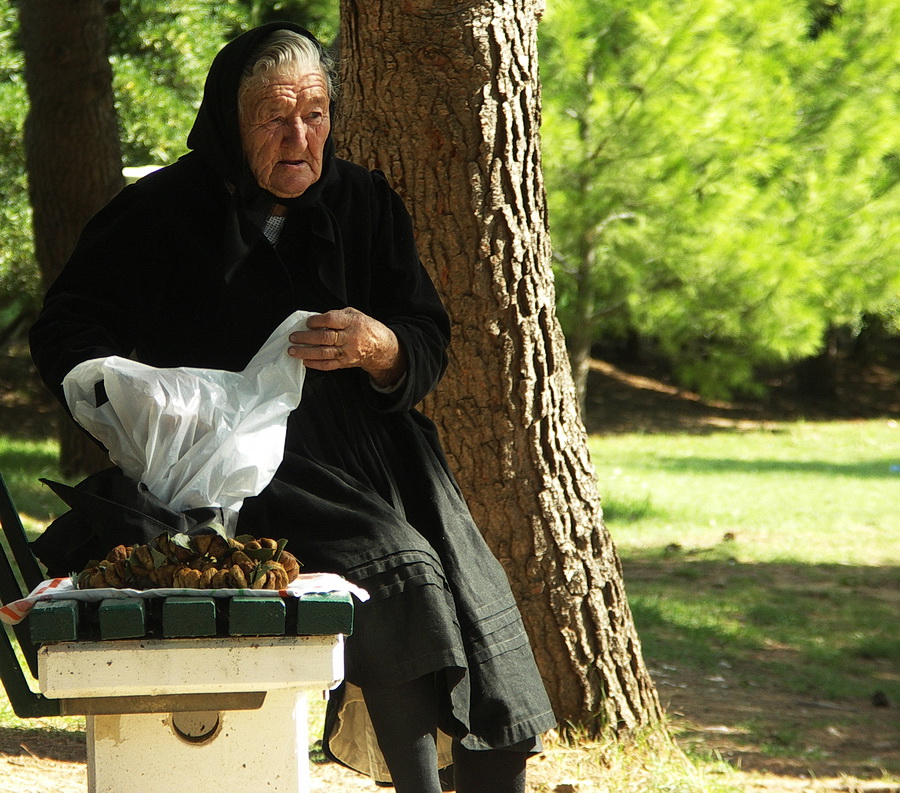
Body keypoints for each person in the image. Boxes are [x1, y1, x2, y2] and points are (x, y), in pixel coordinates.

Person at [29, 22, 556, 793]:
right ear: (228, 121)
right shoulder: (160, 214)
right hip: (238, 467)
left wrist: (381, 345)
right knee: (399, 567)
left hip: (380, 452)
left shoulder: (363, 202)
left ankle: (486, 778)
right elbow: (66, 331)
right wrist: (135, 394)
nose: (299, 136)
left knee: (473, 595)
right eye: (275, 117)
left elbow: (426, 337)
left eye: (314, 114)